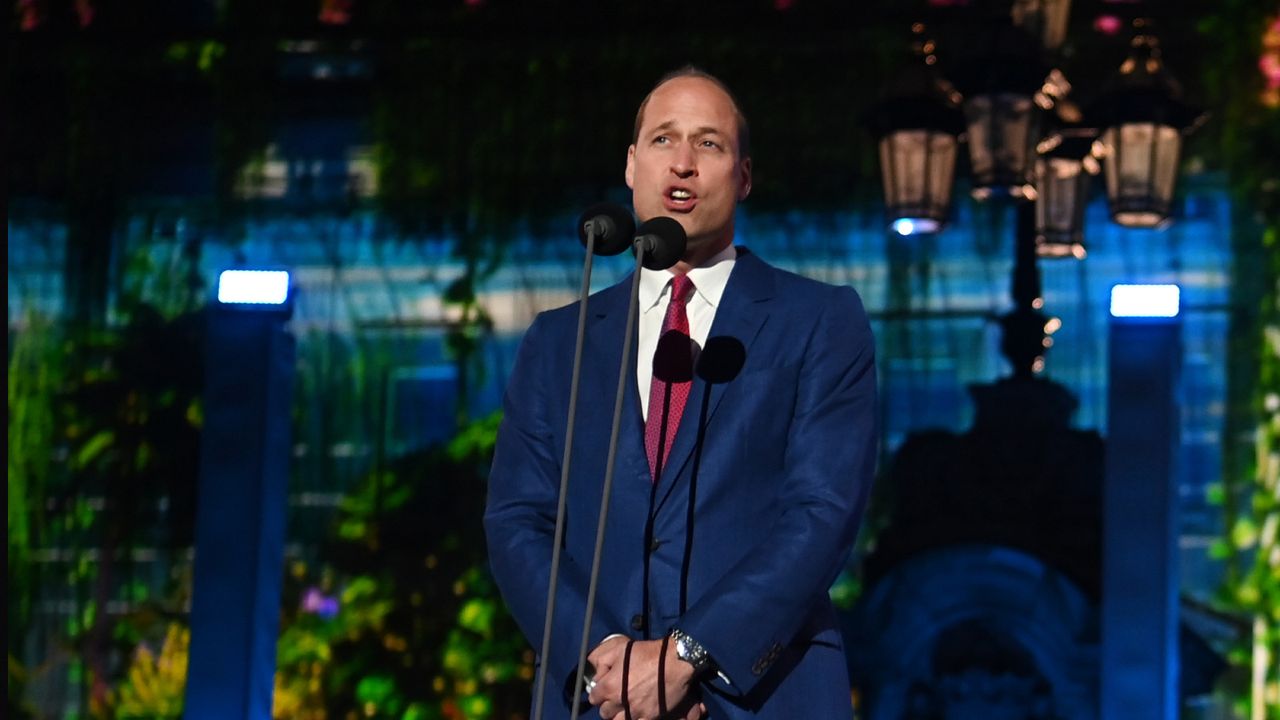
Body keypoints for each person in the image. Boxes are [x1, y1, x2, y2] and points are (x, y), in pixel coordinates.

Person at [484, 67, 878, 720]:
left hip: (762, 696)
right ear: (632, 167)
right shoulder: (560, 342)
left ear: (744, 177)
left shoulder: (818, 320)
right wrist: (605, 657)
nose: (685, 164)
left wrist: (687, 656)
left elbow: (823, 511)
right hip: (599, 699)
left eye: (710, 144)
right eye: (664, 140)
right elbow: (519, 521)